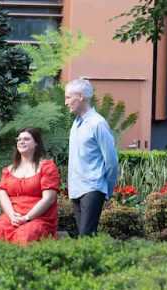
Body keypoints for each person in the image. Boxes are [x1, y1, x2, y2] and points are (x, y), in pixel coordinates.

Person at [0, 128, 60, 246]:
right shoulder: (8, 170)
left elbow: (49, 198)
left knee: (26, 234)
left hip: (38, 217)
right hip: (12, 216)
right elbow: (3, 195)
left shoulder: (47, 167)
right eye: (19, 139)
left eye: (26, 139)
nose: (21, 141)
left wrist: (27, 218)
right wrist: (11, 215)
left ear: (36, 143)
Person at [64, 78, 118, 236]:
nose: (66, 102)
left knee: (86, 236)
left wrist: (106, 190)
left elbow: (111, 161)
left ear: (80, 96)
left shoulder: (97, 124)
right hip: (76, 189)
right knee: (86, 238)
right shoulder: (76, 124)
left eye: (68, 97)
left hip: (93, 188)